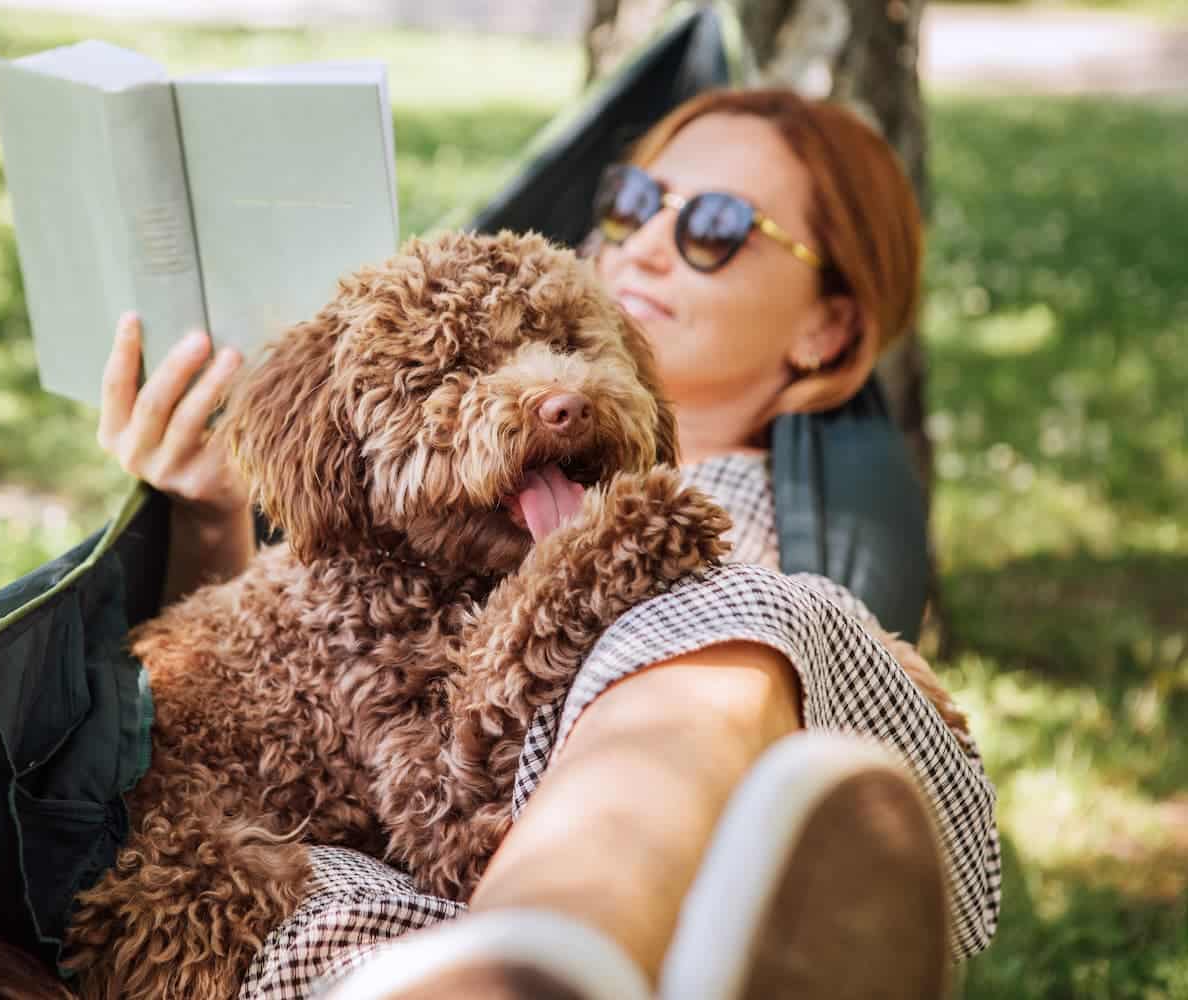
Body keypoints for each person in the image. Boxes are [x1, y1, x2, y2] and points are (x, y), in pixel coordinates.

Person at [95, 89, 1000, 999]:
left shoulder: (780, 511)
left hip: (455, 877)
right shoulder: (421, 526)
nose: (646, 245)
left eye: (718, 228)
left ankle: (539, 960)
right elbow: (307, 698)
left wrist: (625, 559)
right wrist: (214, 512)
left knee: (740, 612)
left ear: (826, 326)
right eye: (635, 201)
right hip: (338, 877)